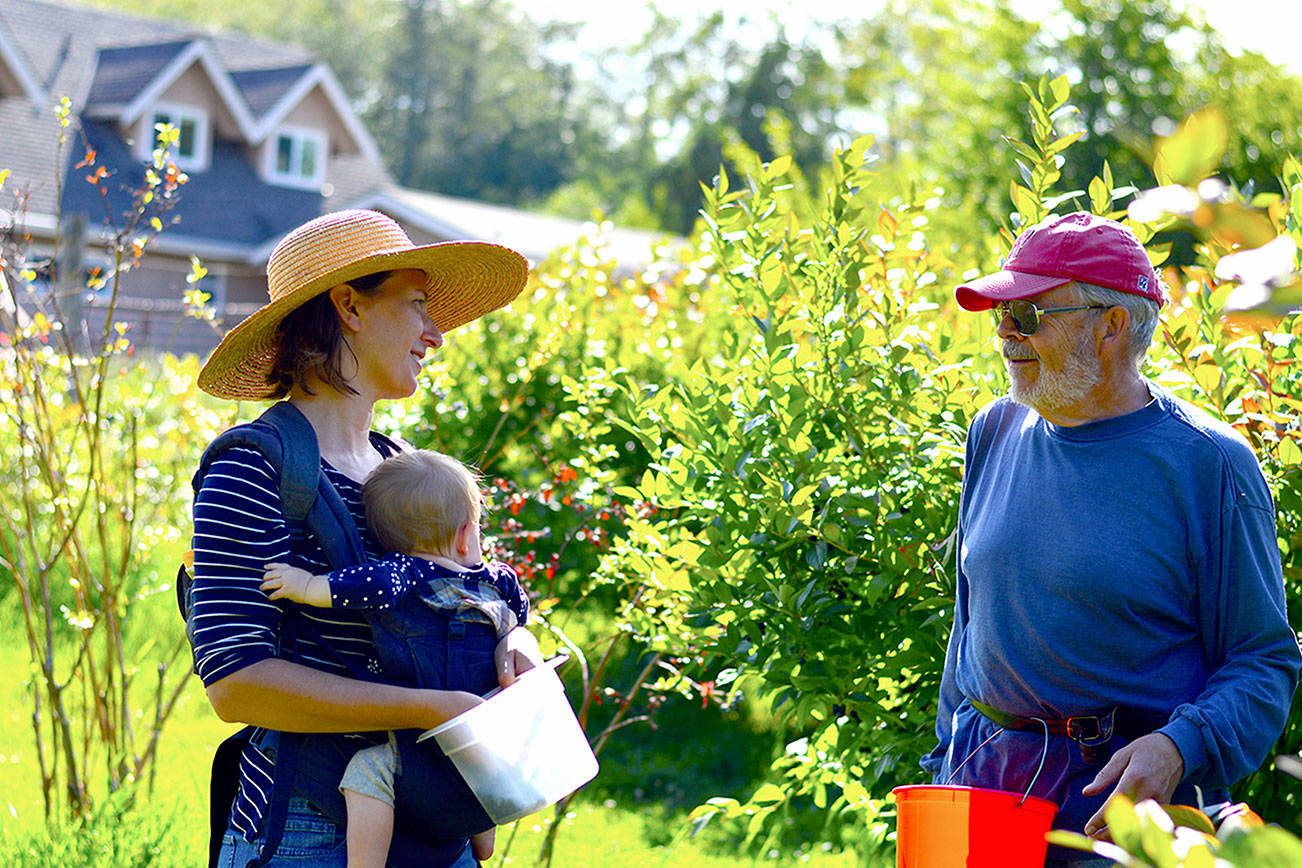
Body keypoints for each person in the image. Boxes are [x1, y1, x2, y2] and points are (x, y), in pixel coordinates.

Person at [923, 211, 1301, 867]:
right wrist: (943, 762)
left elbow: (1263, 660)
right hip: (982, 796)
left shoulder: (1207, 463)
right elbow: (971, 622)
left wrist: (1181, 745)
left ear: (1111, 326)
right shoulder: (993, 430)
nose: (1006, 333)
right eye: (1002, 314)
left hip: (1122, 814)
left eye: (1029, 315)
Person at [189, 208, 540, 868]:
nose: (436, 334)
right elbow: (236, 684)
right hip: (306, 829)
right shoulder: (251, 468)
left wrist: (515, 641)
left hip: (433, 825)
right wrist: (429, 709)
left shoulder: (402, 466)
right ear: (349, 306)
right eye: (417, 305)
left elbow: (473, 591)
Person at [260, 449, 529, 868]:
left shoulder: (403, 572)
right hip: (483, 731)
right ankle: (482, 835)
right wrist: (517, 634)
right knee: (484, 767)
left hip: (417, 739)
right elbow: (521, 613)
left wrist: (308, 585)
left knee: (366, 773)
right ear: (465, 536)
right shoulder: (498, 580)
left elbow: (362, 587)